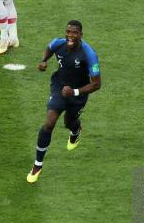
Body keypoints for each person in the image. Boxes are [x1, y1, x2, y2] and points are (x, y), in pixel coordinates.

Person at [27, 20, 101, 183]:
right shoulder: (58, 43)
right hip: (59, 87)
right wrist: (44, 60)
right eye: (68, 31)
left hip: (78, 93)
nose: (70, 35)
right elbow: (49, 48)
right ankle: (38, 164)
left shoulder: (89, 54)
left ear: (81, 35)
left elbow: (97, 84)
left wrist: (74, 92)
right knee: (49, 123)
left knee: (69, 122)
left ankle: (76, 130)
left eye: (74, 33)